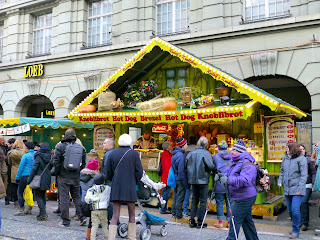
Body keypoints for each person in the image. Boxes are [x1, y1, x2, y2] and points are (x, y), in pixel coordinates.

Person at [216, 139, 259, 240]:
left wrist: (228, 179)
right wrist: (222, 176)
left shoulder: (247, 163)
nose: (232, 152)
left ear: (241, 152)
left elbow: (245, 180)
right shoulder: (236, 161)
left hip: (246, 196)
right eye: (233, 149)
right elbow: (231, 174)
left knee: (234, 219)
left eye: (235, 150)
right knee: (247, 221)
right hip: (241, 195)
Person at [106, 134, 143, 240]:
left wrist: (114, 179)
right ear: (129, 142)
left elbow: (108, 172)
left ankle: (111, 237)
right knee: (131, 213)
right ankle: (131, 237)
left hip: (116, 186)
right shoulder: (134, 154)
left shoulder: (112, 153)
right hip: (130, 186)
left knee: (115, 215)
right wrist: (134, 181)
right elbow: (139, 172)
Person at [52, 128, 87, 227]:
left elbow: (56, 162)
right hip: (75, 176)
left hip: (63, 176)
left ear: (65, 136)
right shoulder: (80, 148)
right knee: (76, 197)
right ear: (75, 136)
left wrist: (57, 173)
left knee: (64, 198)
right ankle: (82, 216)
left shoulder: (60, 147)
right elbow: (83, 164)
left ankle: (66, 221)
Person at [278, 142, 307, 239]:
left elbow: (304, 175)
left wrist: (300, 188)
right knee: (290, 211)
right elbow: (282, 170)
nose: (286, 149)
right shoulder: (285, 158)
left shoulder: (301, 159)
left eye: (288, 148)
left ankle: (295, 231)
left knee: (295, 209)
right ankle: (296, 224)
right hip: (287, 188)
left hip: (297, 189)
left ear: (293, 149)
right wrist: (280, 180)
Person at [186, 136, 215, 228]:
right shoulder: (206, 154)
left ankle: (191, 220)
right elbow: (211, 166)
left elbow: (186, 165)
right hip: (203, 180)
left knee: (194, 199)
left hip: (192, 179)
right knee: (202, 201)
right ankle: (200, 221)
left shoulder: (191, 153)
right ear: (206, 145)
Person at [27, 142, 52, 220]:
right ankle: (42, 213)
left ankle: (43, 213)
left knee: (38, 196)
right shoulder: (51, 156)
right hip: (47, 177)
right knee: (43, 195)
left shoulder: (38, 155)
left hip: (38, 177)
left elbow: (34, 168)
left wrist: (29, 179)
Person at [212, 140, 232, 228]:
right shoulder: (232, 156)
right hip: (229, 182)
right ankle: (229, 222)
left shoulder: (215, 157)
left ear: (218, 148)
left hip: (219, 183)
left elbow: (212, 168)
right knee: (230, 203)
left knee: (219, 202)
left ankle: (220, 223)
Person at [85, 174, 110, 240]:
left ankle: (92, 237)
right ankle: (106, 237)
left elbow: (87, 200)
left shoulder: (90, 190)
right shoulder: (107, 188)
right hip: (103, 209)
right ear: (103, 181)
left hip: (94, 209)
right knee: (104, 224)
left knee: (94, 225)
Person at [171, 137, 189, 223]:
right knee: (179, 198)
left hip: (176, 178)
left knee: (176, 197)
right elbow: (181, 171)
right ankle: (178, 216)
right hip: (180, 179)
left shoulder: (175, 154)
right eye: (186, 144)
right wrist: (185, 183)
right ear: (183, 145)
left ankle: (174, 215)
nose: (187, 145)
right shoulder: (181, 156)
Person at [14, 141, 35, 216]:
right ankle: (29, 208)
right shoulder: (36, 154)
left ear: (27, 148)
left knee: (20, 192)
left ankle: (21, 209)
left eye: (24, 147)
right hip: (33, 176)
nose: (23, 148)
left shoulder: (25, 156)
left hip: (25, 176)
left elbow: (21, 168)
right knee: (30, 192)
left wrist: (17, 177)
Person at [80, 159, 99, 240]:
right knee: (93, 219)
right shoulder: (94, 178)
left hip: (83, 200)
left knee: (92, 219)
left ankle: (90, 233)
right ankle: (90, 235)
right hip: (92, 201)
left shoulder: (82, 176)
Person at [299, 144, 316, 231]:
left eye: (303, 149)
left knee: (304, 202)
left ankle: (305, 223)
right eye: (299, 149)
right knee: (298, 204)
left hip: (307, 184)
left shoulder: (309, 159)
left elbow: (313, 173)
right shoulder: (295, 159)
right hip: (297, 185)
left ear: (305, 150)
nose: (301, 150)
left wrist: (313, 185)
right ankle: (300, 221)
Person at [101, 138, 116, 225]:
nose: (103, 144)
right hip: (113, 180)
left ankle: (110, 219)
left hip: (109, 181)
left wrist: (104, 178)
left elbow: (106, 169)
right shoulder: (113, 153)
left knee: (108, 201)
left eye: (105, 143)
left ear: (110, 144)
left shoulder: (108, 154)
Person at [8, 139, 25, 209]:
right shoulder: (24, 153)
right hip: (22, 172)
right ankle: (22, 202)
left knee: (14, 187)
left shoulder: (11, 153)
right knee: (22, 188)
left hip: (14, 170)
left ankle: (15, 201)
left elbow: (9, 162)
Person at [159, 141, 172, 214]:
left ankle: (163, 207)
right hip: (166, 177)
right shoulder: (166, 155)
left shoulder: (164, 155)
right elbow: (167, 168)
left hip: (165, 176)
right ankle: (163, 208)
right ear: (168, 147)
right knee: (166, 193)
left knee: (165, 192)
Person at [5, 138, 15, 205]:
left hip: (9, 168)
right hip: (15, 169)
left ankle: (7, 199)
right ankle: (14, 199)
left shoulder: (8, 150)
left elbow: (6, 160)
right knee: (15, 185)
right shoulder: (17, 151)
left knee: (9, 184)